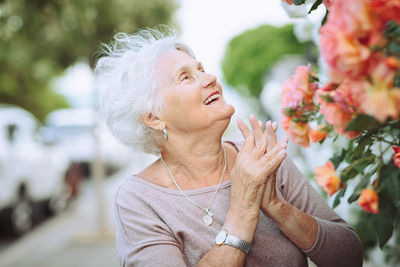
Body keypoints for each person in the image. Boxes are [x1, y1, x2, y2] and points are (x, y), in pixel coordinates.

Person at [95, 27, 363, 267]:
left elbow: (350, 257)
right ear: (153, 116)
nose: (210, 77)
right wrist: (244, 209)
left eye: (201, 69)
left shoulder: (261, 157)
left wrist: (277, 206)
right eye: (186, 77)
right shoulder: (140, 200)